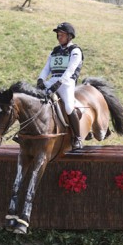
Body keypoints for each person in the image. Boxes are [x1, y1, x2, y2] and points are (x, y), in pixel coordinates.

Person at [36, 22, 84, 150]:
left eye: (61, 34)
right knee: (34, 98)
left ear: (69, 36)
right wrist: (41, 79)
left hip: (67, 82)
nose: (59, 37)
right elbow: (47, 67)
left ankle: (77, 138)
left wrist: (59, 83)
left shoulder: (75, 51)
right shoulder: (55, 50)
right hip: (53, 79)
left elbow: (70, 69)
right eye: (58, 34)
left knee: (68, 107)